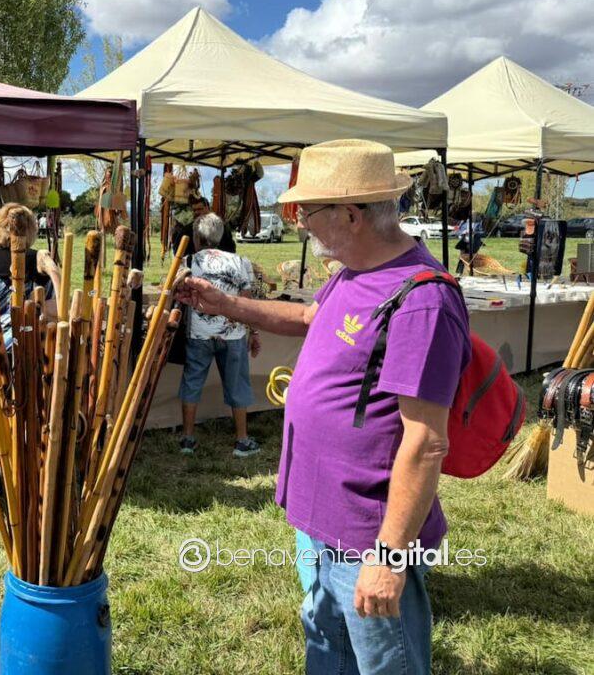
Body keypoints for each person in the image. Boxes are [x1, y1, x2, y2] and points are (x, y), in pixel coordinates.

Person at [176, 140, 470, 675]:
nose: (301, 223)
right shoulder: (352, 271)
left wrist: (389, 557)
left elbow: (426, 441)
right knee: (327, 646)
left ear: (351, 215)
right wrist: (226, 304)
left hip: (367, 532)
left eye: (308, 212)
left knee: (384, 663)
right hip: (321, 514)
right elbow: (309, 319)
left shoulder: (423, 299)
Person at [0, 203, 53, 501]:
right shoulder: (35, 261)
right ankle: (18, 477)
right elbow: (54, 305)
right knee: (25, 412)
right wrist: (52, 267)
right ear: (30, 230)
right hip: (21, 348)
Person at [177, 212, 260, 457]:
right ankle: (242, 440)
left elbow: (174, 291)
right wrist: (254, 332)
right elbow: (247, 303)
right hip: (233, 334)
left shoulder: (188, 261)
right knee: (237, 384)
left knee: (192, 382)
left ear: (196, 237)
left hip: (199, 334)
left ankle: (188, 439)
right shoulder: (240, 261)